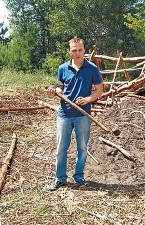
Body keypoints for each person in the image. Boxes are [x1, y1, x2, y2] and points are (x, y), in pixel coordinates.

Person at [47, 38, 104, 191]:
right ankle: (60, 179)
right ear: (69, 51)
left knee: (82, 147)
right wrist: (55, 90)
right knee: (61, 148)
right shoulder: (63, 68)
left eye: (80, 50)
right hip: (64, 113)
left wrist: (88, 99)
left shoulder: (92, 68)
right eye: (74, 50)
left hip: (83, 114)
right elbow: (60, 85)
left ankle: (79, 177)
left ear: (84, 50)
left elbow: (99, 90)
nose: (77, 53)